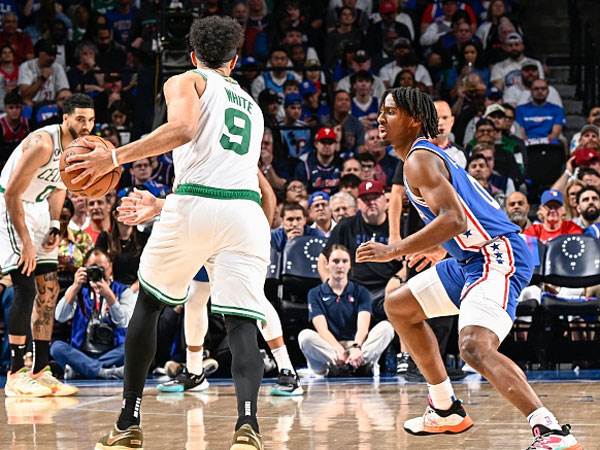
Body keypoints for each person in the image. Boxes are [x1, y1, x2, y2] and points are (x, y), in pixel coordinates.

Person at [66, 17, 273, 449]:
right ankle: (247, 426)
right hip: (246, 213)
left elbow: (182, 129)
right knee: (241, 325)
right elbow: (241, 176)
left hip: (195, 202)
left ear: (194, 56)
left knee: (149, 304)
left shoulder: (188, 80)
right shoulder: (252, 107)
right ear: (234, 60)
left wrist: (114, 158)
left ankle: (128, 421)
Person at [356, 87, 581, 449]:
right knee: (398, 305)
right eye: (381, 112)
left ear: (414, 119)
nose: (381, 119)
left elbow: (455, 219)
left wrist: (393, 248)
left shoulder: (418, 160)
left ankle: (550, 430)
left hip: (496, 255)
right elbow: (463, 219)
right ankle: (444, 408)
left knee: (474, 346)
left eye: (391, 112)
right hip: (468, 258)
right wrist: (435, 247)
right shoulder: (421, 158)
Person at [1, 94, 95, 397]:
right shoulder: (43, 143)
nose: (86, 125)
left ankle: (41, 370)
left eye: (91, 120)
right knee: (25, 287)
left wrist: (55, 224)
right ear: (65, 118)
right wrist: (26, 243)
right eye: (80, 119)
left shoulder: (78, 149)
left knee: (49, 289)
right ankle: (15, 374)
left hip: (40, 209)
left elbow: (58, 187)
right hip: (11, 207)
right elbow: (12, 194)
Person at [299, 245, 395, 376]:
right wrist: (338, 350)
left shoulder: (361, 292)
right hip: (331, 348)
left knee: (386, 327)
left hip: (356, 346)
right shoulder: (315, 293)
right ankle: (334, 366)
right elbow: (322, 329)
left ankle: (360, 363)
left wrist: (356, 348)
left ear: (350, 265)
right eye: (336, 261)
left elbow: (363, 328)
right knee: (305, 336)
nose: (340, 266)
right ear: (327, 264)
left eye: (344, 261)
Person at [318, 180, 403, 321]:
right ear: (358, 204)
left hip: (389, 287)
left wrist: (398, 278)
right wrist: (331, 284)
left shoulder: (398, 225)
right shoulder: (346, 225)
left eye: (375, 197)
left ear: (385, 200)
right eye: (366, 199)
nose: (371, 202)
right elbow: (323, 259)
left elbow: (410, 261)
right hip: (354, 289)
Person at [50, 248, 134, 380]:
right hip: (81, 352)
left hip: (113, 351)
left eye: (101, 269)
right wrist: (75, 286)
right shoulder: (78, 290)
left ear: (110, 267)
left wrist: (109, 296)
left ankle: (82, 369)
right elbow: (60, 316)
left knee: (134, 346)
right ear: (84, 269)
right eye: (92, 269)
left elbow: (124, 322)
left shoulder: (123, 291)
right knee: (56, 347)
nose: (96, 273)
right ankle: (103, 371)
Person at [18, 39, 69, 106]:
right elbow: (25, 97)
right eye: (49, 55)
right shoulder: (27, 66)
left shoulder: (58, 68)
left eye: (54, 55)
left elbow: (64, 93)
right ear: (39, 53)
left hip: (52, 105)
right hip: (31, 106)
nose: (52, 58)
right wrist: (42, 79)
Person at [516, 79, 566, 145]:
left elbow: (555, 134)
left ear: (548, 91)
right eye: (536, 89)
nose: (540, 91)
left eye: (543, 89)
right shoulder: (520, 109)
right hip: (527, 143)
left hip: (549, 143)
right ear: (531, 91)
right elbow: (521, 133)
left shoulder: (557, 109)